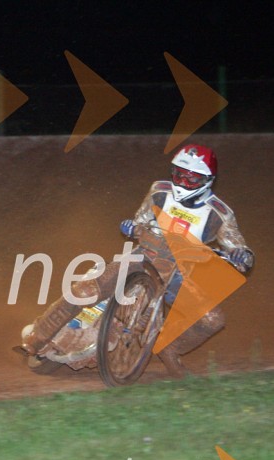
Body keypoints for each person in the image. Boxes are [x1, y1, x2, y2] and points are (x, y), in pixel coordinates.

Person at [21, 144, 254, 374]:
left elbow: (239, 247)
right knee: (84, 291)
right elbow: (140, 220)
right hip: (143, 257)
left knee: (212, 320)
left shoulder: (220, 213)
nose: (182, 182)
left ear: (207, 180)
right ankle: (37, 337)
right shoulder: (159, 191)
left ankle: (170, 350)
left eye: (191, 179)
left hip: (179, 273)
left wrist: (242, 255)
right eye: (178, 175)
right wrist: (132, 226)